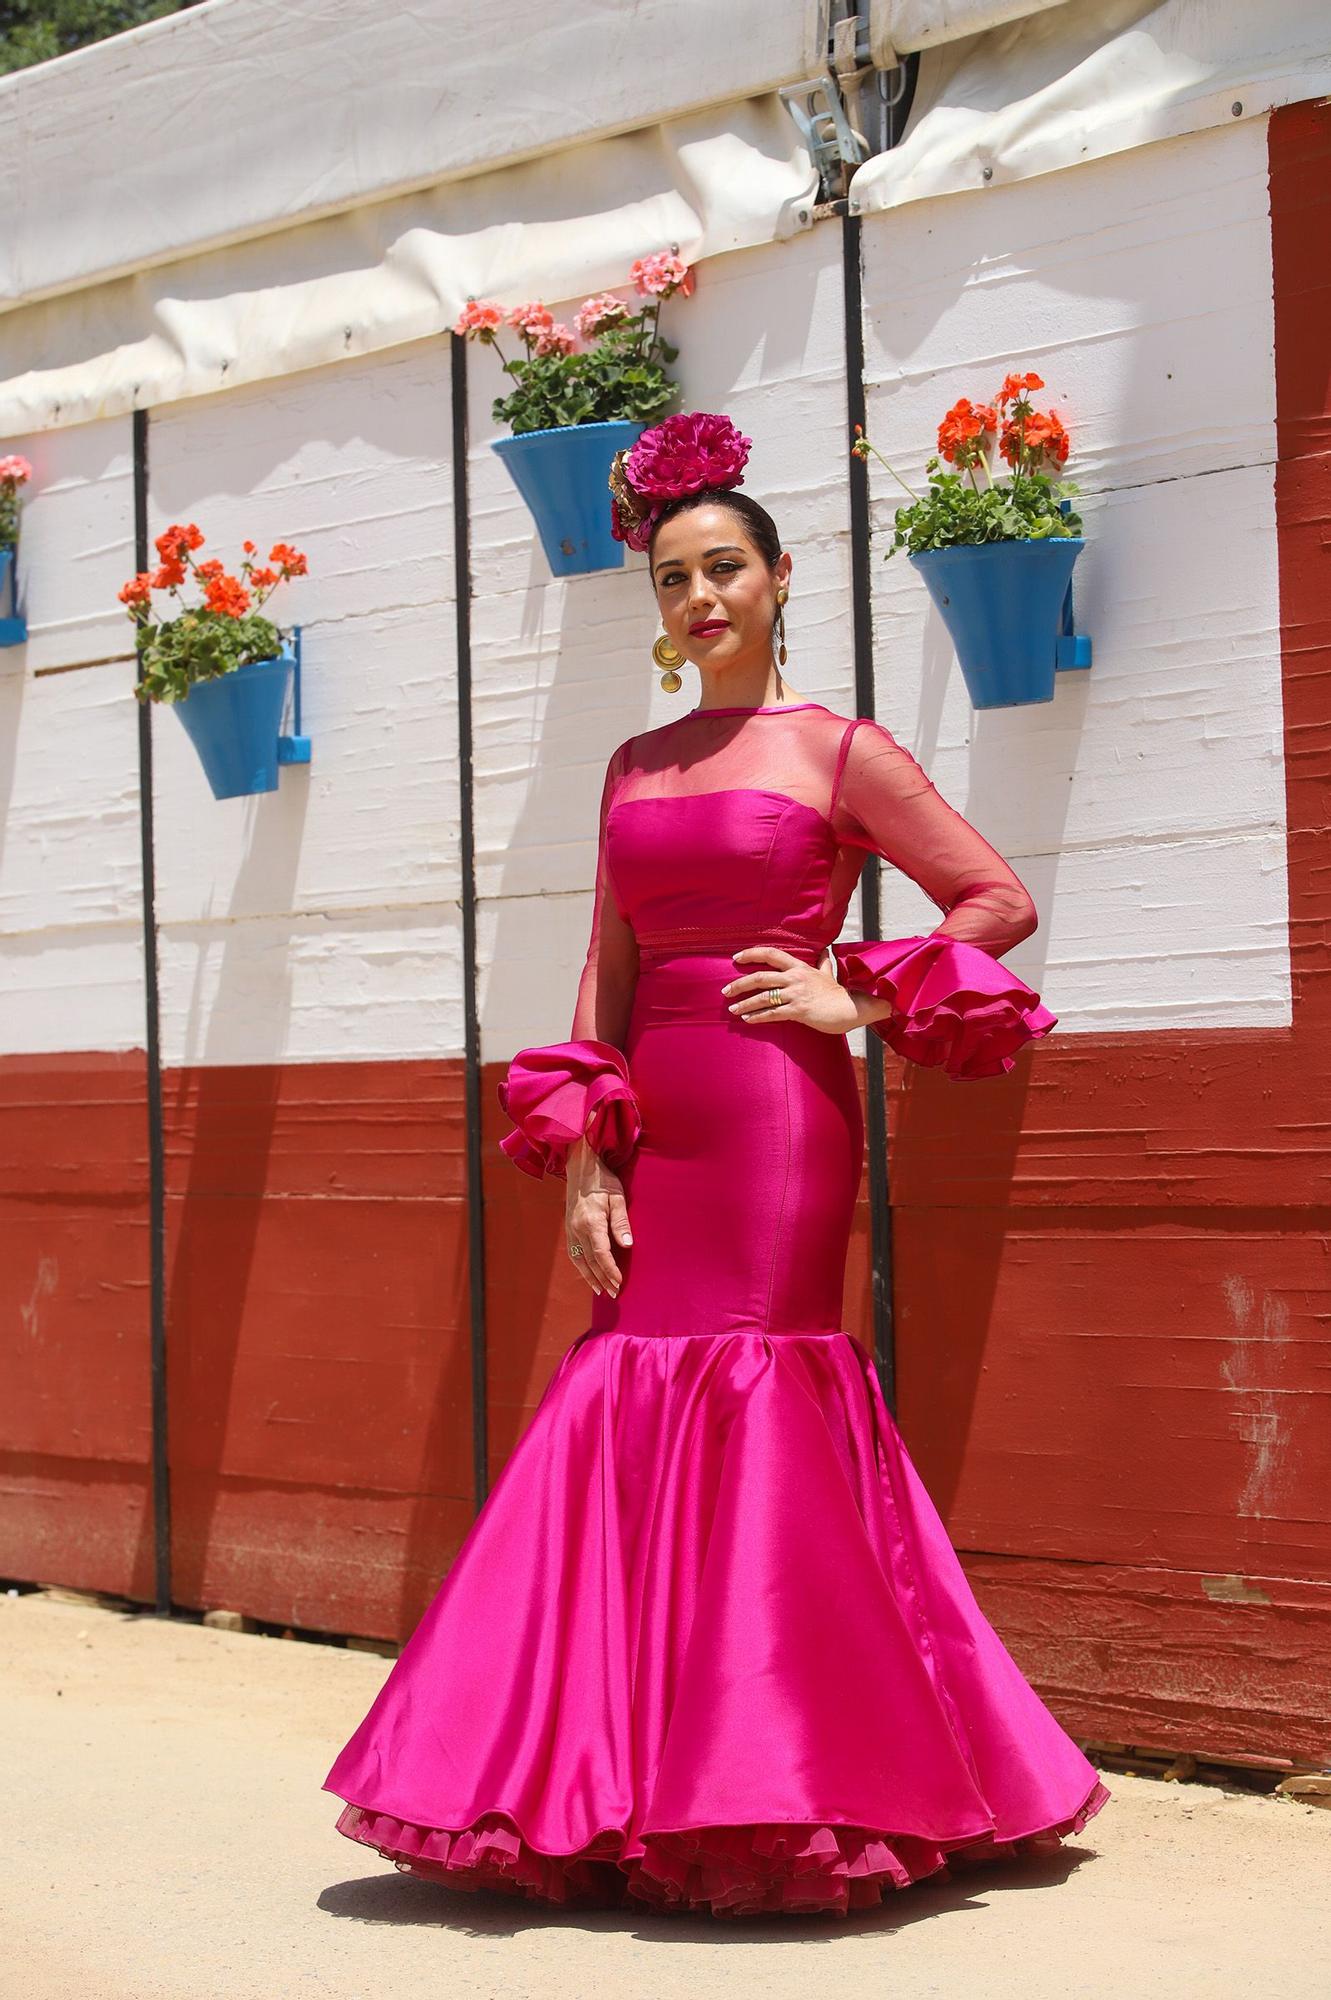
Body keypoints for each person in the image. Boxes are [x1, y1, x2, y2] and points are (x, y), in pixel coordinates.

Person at [323, 410, 1110, 1917]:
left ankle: (786, 1775)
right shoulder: (630, 763)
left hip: (777, 1121)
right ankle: (623, 1782)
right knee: (630, 1392)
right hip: (659, 1120)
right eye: (676, 579)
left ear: (779, 578)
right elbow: (600, 982)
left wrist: (854, 995)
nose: (700, 600)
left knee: (755, 1393)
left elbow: (993, 901)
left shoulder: (840, 749)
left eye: (726, 570)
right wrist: (586, 1166)